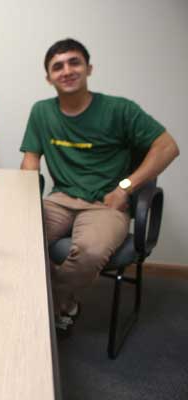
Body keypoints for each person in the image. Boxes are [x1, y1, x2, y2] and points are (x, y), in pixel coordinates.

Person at [20, 38, 179, 333]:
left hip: (106, 205)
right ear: (48, 77)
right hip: (60, 199)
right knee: (16, 234)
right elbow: (30, 161)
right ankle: (61, 304)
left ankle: (44, 307)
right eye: (58, 66)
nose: (66, 70)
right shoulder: (41, 112)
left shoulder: (119, 109)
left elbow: (167, 146)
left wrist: (125, 187)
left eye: (74, 62)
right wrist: (26, 199)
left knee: (90, 253)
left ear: (88, 68)